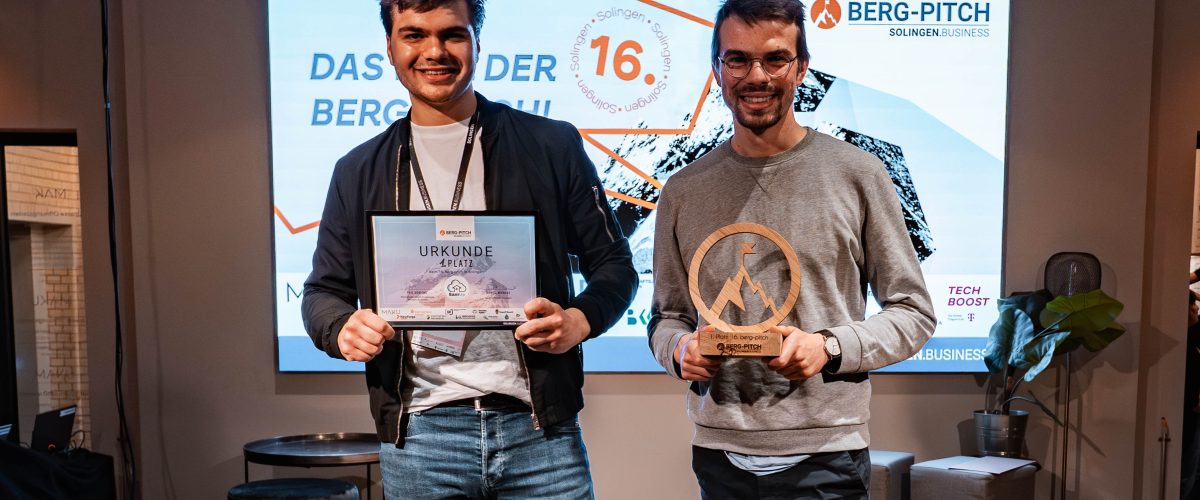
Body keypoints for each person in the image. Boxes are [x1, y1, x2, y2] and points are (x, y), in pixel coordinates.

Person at [301, 0, 637, 497]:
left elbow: (614, 266)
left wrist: (579, 321)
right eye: (414, 35)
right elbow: (322, 293)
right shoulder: (358, 170)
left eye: (452, 34)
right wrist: (340, 327)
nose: (435, 51)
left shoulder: (551, 145)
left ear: (477, 42)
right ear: (389, 47)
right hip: (420, 437)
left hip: (539, 433)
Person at [647, 0, 936, 497]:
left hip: (828, 456)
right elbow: (666, 318)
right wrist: (678, 351)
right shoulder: (683, 190)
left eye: (775, 59)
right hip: (719, 454)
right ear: (717, 71)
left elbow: (913, 313)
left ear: (801, 68)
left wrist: (828, 347)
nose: (756, 76)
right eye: (738, 60)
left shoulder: (859, 173)